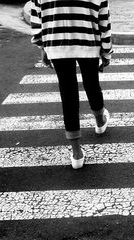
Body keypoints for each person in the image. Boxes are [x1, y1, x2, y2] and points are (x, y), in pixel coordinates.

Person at [30, 0, 113, 169]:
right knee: (92, 83)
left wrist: (42, 46)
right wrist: (106, 52)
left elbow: (36, 19)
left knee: (68, 94)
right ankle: (100, 121)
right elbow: (103, 21)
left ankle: (77, 154)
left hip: (57, 44)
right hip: (88, 42)